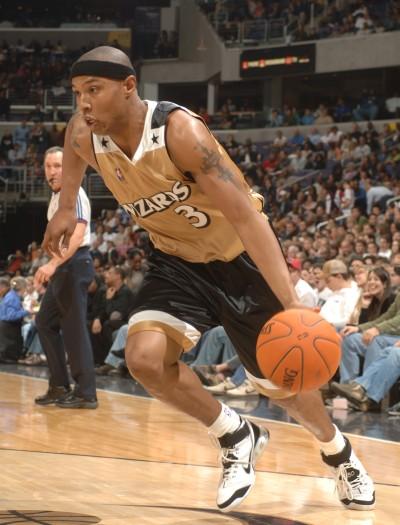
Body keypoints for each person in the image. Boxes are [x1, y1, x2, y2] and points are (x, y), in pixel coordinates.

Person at [42, 46, 375, 512]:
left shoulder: (181, 133)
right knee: (144, 359)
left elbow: (247, 217)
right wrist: (63, 207)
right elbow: (73, 143)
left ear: (129, 87)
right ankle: (236, 434)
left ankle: (340, 453)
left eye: (94, 90)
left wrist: (292, 302)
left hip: (240, 262)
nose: (84, 103)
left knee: (287, 388)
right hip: (176, 262)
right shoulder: (85, 131)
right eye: (78, 93)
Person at [34, 146, 97, 409]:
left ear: (68, 168)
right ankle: (59, 385)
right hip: (64, 267)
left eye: (57, 166)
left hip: (75, 264)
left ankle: (86, 393)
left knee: (73, 329)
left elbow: (77, 236)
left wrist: (52, 264)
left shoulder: (76, 195)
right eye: (48, 166)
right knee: (44, 322)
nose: (52, 171)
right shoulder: (56, 198)